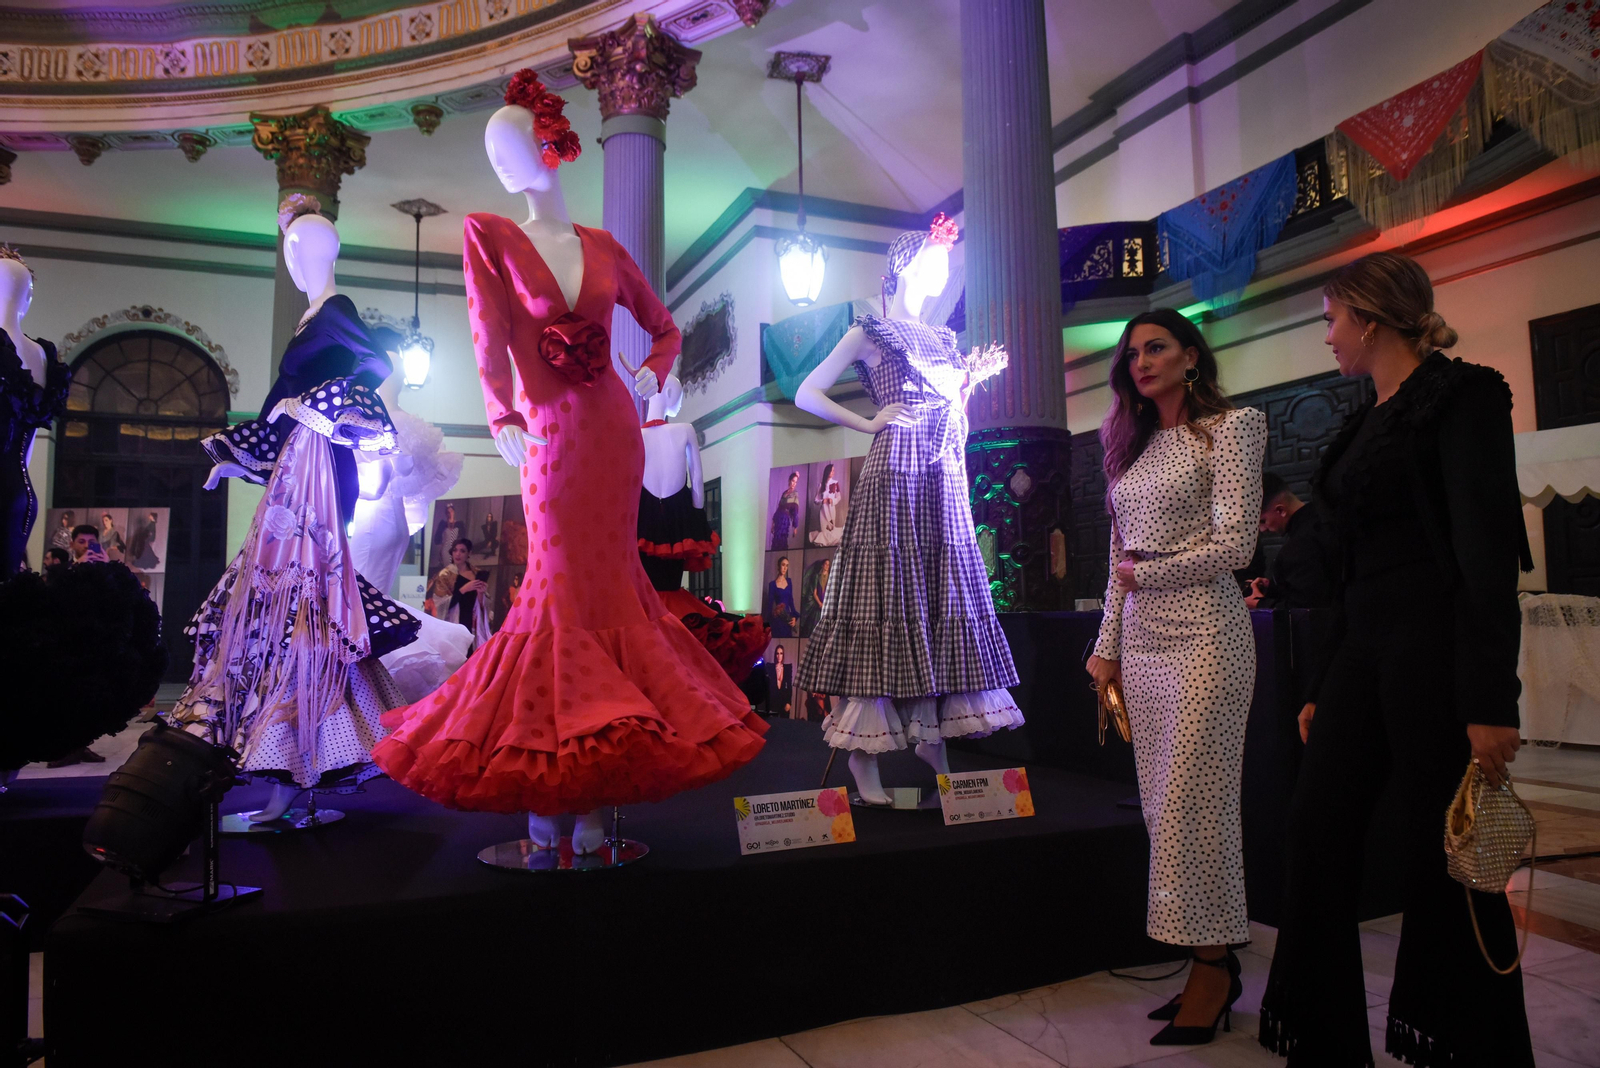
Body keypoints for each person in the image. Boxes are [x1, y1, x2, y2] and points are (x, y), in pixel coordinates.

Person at [1259, 253, 1534, 1067]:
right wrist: (1325, 681)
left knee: (1441, 852)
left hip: (1432, 648)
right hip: (1364, 647)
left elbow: (1486, 553)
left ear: (1370, 318)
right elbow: (1348, 565)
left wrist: (1490, 697)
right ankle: (1325, 1039)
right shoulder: (1361, 419)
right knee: (1316, 829)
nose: (1328, 336)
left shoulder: (1464, 394)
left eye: (1331, 319)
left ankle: (1460, 1043)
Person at [794, 214, 1022, 805]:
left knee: (937, 599)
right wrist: (868, 421)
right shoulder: (874, 330)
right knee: (885, 600)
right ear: (902, 265)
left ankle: (932, 741)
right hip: (895, 472)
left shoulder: (945, 339)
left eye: (946, 266)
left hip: (942, 475)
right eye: (931, 262)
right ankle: (863, 756)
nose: (940, 274)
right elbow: (806, 391)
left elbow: (956, 411)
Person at [1085, 307, 1267, 1047]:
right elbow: (1114, 563)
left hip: (1208, 637)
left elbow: (1237, 544)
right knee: (1164, 811)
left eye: (1156, 348)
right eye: (1132, 354)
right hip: (1148, 645)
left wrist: (1147, 572)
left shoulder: (1232, 428)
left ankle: (1216, 967)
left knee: (1197, 807)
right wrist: (1106, 646)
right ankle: (1205, 960)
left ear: (1192, 357)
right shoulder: (1131, 448)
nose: (1141, 362)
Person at [1244, 473, 1333, 610]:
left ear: (1280, 510)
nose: (1262, 530)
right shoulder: (1322, 518)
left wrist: (1259, 604)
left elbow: (1305, 607)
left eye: (1263, 521)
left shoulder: (1300, 544)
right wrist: (1275, 586)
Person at [425, 538, 491, 651]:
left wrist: (481, 594)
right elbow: (440, 605)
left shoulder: (477, 573)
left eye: (462, 551)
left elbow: (483, 604)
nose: (458, 554)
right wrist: (463, 589)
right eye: (455, 550)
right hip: (454, 623)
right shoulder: (445, 575)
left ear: (469, 553)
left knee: (471, 656)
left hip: (471, 622)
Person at [808, 463, 843, 547]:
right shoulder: (821, 485)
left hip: (831, 511)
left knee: (831, 530)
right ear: (828, 472)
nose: (833, 472)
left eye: (834, 470)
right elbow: (815, 500)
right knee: (824, 531)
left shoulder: (835, 483)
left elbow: (839, 497)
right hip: (823, 512)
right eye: (832, 470)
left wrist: (832, 500)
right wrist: (822, 501)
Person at [764, 555, 797, 637]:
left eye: (787, 565)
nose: (785, 568)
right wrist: (767, 625)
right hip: (777, 620)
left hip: (787, 619)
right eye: (783, 565)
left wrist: (794, 617)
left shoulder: (789, 582)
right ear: (778, 566)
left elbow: (791, 602)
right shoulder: (772, 584)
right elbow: (770, 605)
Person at [798, 556, 829, 637]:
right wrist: (820, 603)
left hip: (826, 605)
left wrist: (825, 604)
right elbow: (814, 593)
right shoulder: (816, 576)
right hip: (817, 604)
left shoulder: (830, 577)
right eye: (825, 564)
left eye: (828, 565)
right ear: (822, 565)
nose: (826, 566)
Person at [769, 471, 800, 548]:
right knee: (776, 539)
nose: (794, 484)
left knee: (782, 539)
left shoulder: (795, 494)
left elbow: (795, 512)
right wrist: (773, 523)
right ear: (789, 480)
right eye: (793, 481)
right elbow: (779, 508)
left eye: (796, 482)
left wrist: (795, 527)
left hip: (784, 520)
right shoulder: (784, 493)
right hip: (778, 518)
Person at [766, 643, 793, 718]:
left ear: (783, 655)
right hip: (773, 700)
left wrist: (788, 702)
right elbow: (767, 685)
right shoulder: (770, 667)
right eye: (777, 653)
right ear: (775, 655)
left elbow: (789, 686)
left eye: (781, 653)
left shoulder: (787, 668)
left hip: (783, 700)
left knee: (784, 723)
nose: (779, 656)